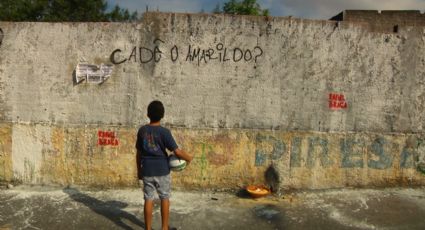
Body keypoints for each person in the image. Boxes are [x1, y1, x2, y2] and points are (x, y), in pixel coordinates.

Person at [136, 100, 193, 230]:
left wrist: (139, 170)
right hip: (162, 170)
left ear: (148, 114)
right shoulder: (164, 132)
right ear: (162, 115)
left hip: (147, 170)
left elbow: (138, 154)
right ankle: (164, 228)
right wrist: (189, 158)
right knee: (164, 198)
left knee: (148, 199)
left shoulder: (142, 131)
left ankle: (148, 228)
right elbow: (176, 151)